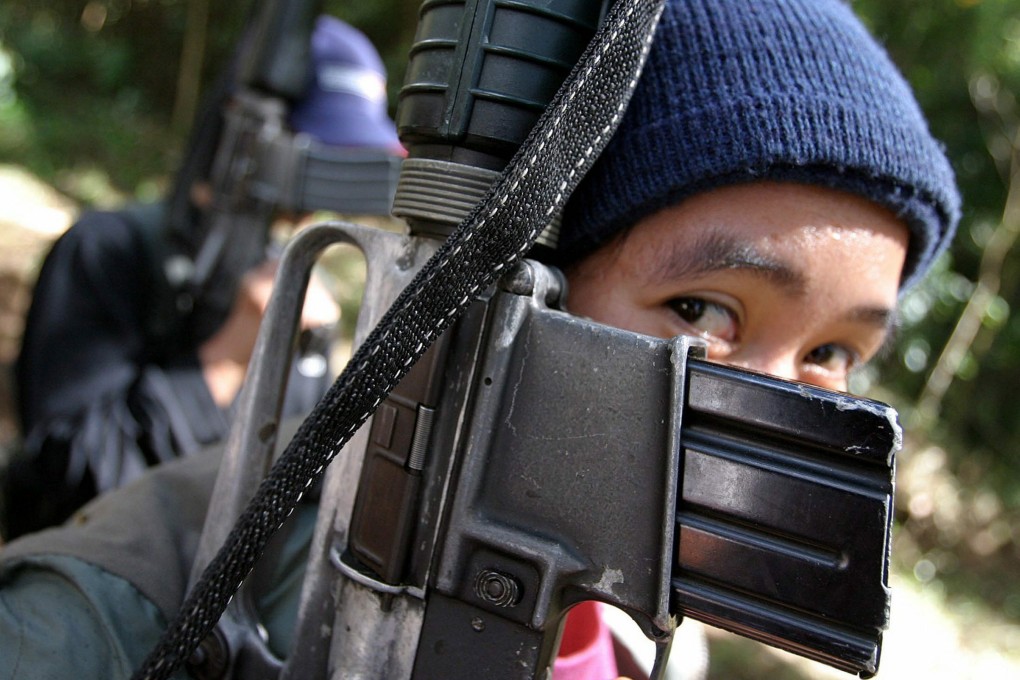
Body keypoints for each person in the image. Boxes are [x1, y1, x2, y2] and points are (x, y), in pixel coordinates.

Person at [0, 0, 959, 678]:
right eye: (704, 312)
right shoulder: (110, 610)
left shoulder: (650, 634)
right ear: (511, 292)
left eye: (832, 354)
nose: (778, 400)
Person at [2, 15, 404, 538]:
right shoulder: (107, 251)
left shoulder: (301, 298)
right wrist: (228, 357)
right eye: (316, 160)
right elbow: (71, 479)